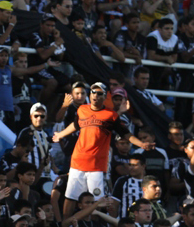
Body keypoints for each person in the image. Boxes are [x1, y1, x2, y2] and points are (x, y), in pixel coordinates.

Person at [53, 81, 154, 218]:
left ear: (105, 96)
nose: (95, 95)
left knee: (98, 201)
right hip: (77, 162)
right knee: (71, 197)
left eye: (99, 93)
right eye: (93, 92)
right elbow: (75, 125)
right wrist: (61, 134)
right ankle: (66, 226)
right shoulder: (82, 109)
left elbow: (126, 134)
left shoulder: (111, 115)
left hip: (96, 165)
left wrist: (141, 144)